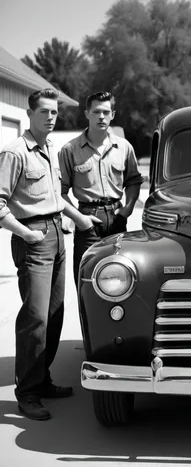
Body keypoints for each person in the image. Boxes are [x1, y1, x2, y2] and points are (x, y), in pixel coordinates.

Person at [0, 89, 102, 421]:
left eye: (55, 112)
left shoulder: (49, 148)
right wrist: (27, 234)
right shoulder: (15, 153)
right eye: (44, 111)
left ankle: (42, 381)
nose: (50, 117)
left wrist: (78, 219)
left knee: (56, 313)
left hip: (58, 234)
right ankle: (27, 393)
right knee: (36, 318)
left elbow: (56, 197)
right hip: (34, 238)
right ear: (29, 114)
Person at [58, 91, 143, 285]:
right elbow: (59, 191)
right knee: (86, 281)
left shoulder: (124, 147)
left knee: (121, 278)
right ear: (87, 114)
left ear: (113, 114)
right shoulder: (70, 150)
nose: (101, 117)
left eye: (106, 112)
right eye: (96, 112)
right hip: (88, 220)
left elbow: (133, 181)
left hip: (117, 219)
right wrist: (79, 219)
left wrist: (127, 209)